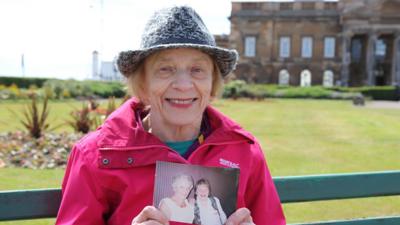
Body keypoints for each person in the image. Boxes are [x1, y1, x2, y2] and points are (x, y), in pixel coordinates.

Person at [56, 5, 285, 225]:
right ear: (142, 83)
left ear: (212, 84)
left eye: (197, 70)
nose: (184, 85)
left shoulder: (244, 151)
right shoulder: (94, 155)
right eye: (165, 69)